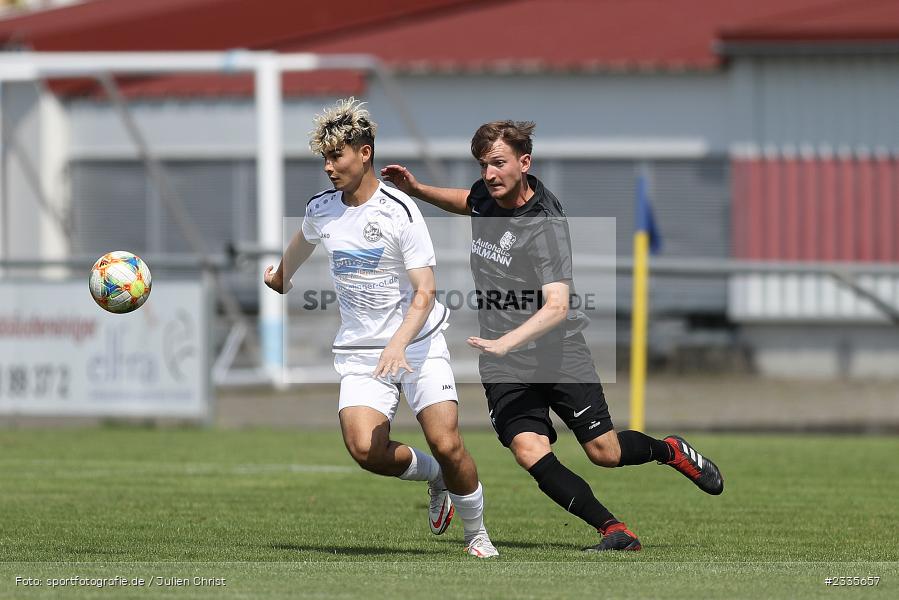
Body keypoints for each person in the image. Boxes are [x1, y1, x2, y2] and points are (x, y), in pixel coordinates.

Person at [381, 120, 723, 552]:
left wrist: (509, 340)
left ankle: (669, 451)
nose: (489, 174)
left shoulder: (544, 224)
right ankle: (614, 530)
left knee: (605, 453)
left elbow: (557, 306)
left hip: (556, 353)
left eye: (498, 164)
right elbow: (468, 201)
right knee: (528, 450)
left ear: (525, 162)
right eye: (484, 165)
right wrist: (417, 189)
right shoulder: (489, 193)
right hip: (503, 360)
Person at [264, 98, 498, 558]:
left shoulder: (399, 211)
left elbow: (426, 290)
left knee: (447, 442)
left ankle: (478, 536)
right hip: (362, 352)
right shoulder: (322, 209)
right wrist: (280, 277)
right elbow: (300, 245)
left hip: (419, 343)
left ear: (364, 152)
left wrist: (398, 342)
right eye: (325, 158)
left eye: (337, 156)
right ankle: (435, 480)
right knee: (364, 449)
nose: (329, 166)